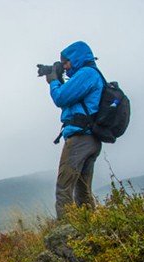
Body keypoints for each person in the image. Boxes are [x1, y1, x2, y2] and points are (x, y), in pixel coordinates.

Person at [45, 41, 104, 219]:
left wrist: (54, 81)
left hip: (80, 139)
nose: (65, 66)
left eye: (66, 62)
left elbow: (61, 98)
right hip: (90, 138)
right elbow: (73, 98)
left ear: (76, 58)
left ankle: (65, 234)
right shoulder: (88, 75)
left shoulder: (86, 74)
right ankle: (90, 229)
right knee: (82, 190)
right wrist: (59, 78)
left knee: (64, 187)